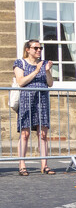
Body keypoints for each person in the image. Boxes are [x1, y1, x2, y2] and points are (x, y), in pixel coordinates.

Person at [13, 40, 54, 175]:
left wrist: (47, 71)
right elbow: (21, 81)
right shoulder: (20, 63)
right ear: (27, 49)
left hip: (41, 100)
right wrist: (36, 71)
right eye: (35, 48)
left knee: (43, 134)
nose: (39, 50)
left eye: (40, 48)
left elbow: (50, 83)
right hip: (27, 99)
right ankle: (22, 165)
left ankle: (44, 165)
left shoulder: (44, 63)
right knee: (25, 134)